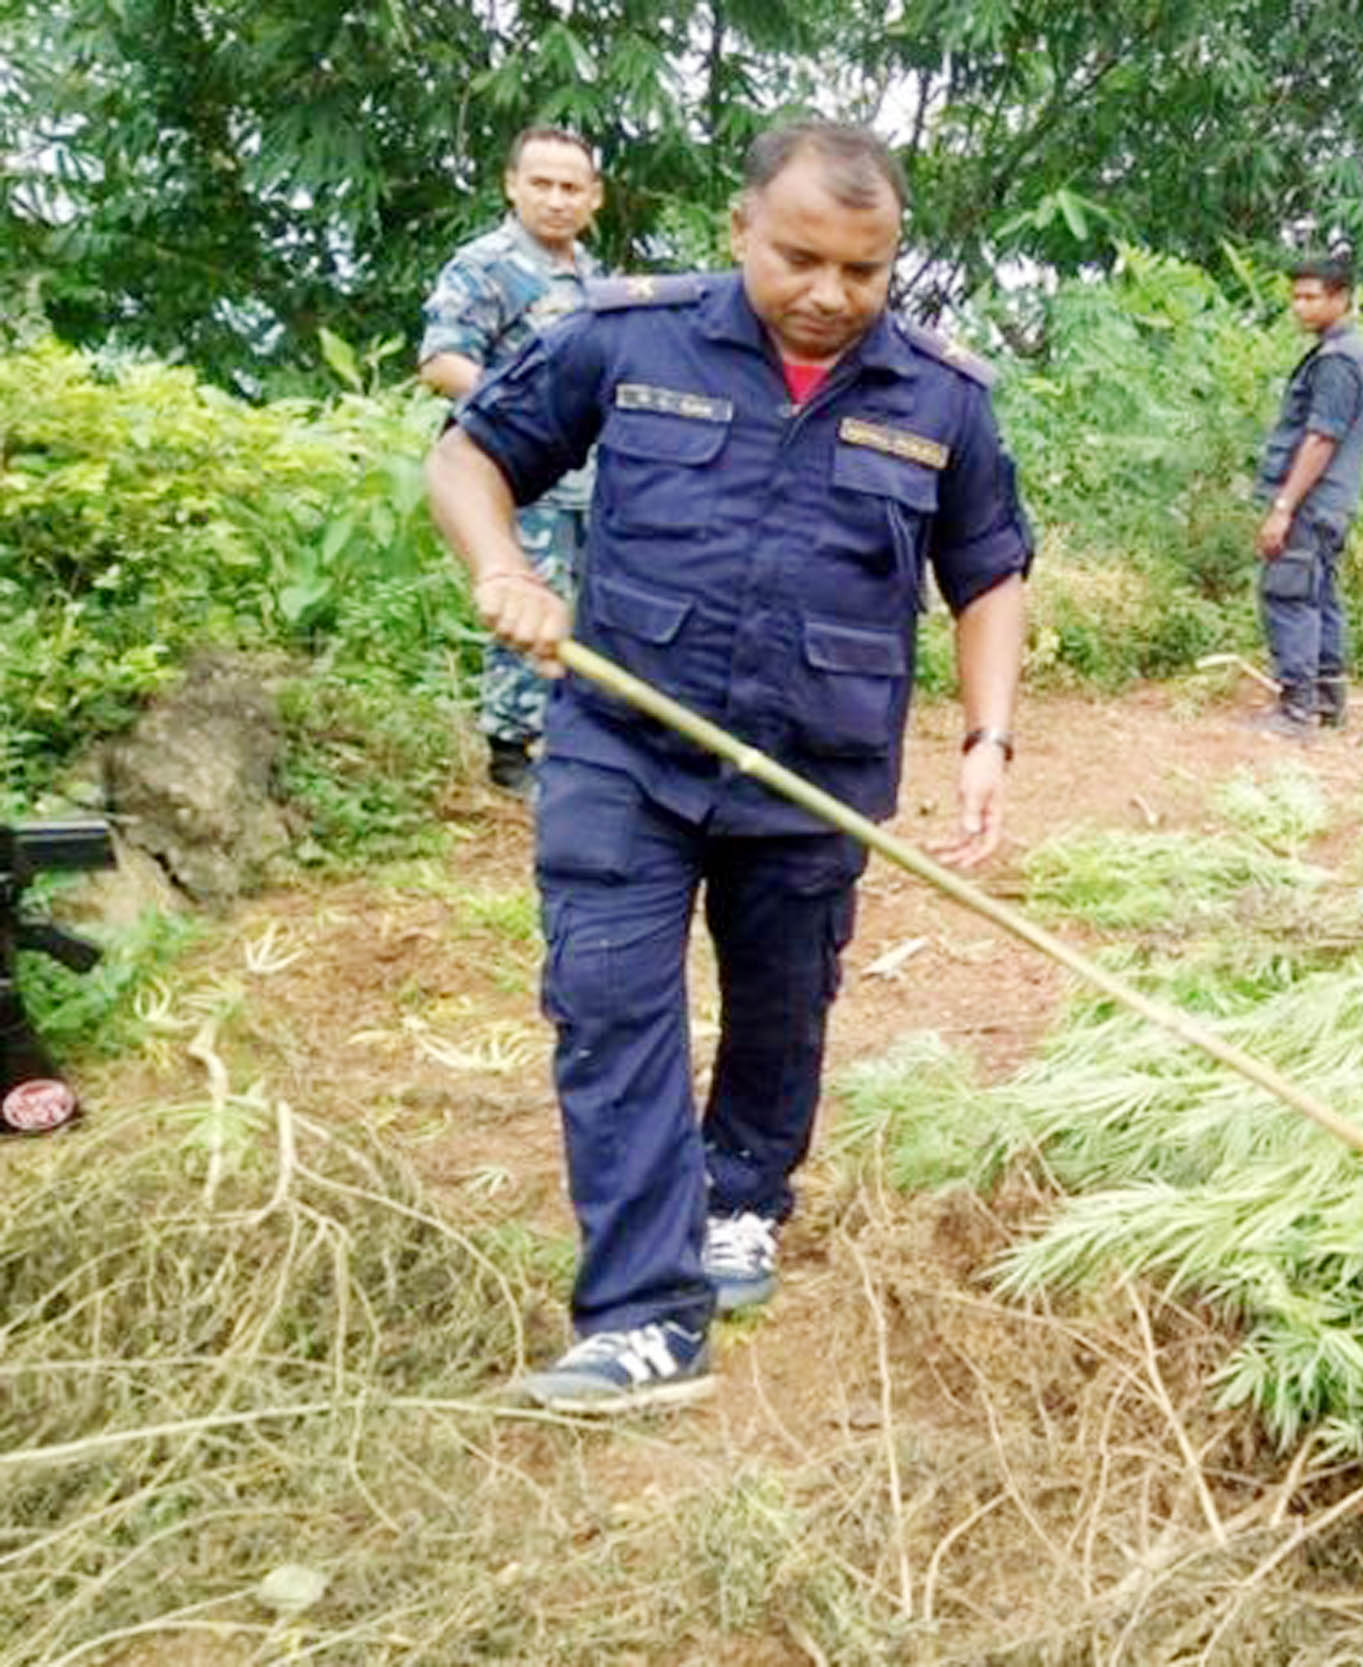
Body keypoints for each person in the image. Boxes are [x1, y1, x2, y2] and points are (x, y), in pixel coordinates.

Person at [425, 119, 1032, 1412]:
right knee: (608, 1001)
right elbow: (471, 451)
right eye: (800, 257)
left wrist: (986, 736)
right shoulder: (625, 334)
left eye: (863, 272)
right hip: (624, 750)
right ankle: (645, 1312)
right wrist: (503, 567)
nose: (830, 296)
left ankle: (743, 1190)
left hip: (815, 768)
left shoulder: (941, 398)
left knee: (780, 1001)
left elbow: (989, 570)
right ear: (741, 229)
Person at [419, 126, 608, 795]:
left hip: (589, 481)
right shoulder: (486, 265)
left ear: (594, 198)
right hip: (515, 475)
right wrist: (526, 412)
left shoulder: (594, 278)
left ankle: (572, 741)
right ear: (512, 185)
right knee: (525, 599)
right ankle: (510, 749)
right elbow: (442, 361)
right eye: (542, 184)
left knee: (586, 608)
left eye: (570, 187)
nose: (556, 200)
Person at [1250, 254, 1363, 738]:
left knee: (1289, 592)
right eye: (1296, 297)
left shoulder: (1338, 360)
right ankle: (1327, 702)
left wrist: (1283, 507)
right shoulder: (1347, 353)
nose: (1300, 307)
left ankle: (1296, 710)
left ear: (1341, 299)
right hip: (1330, 503)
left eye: (1311, 297)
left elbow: (1320, 438)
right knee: (1320, 595)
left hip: (1311, 501)